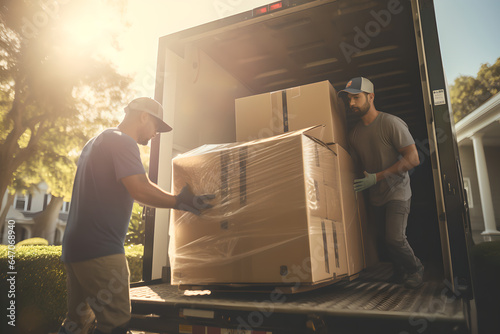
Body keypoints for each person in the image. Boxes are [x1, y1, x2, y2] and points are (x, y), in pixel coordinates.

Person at [58, 97, 214, 334]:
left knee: (76, 323)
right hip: (101, 251)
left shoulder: (95, 142)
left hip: (75, 250)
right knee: (116, 322)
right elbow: (139, 188)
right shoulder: (123, 142)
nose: (156, 134)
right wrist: (178, 201)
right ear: (143, 116)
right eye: (156, 127)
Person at [338, 77, 424, 289]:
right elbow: (357, 167)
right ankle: (400, 270)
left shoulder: (390, 123)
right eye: (349, 100)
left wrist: (377, 176)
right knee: (383, 239)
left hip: (398, 192)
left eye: (356, 98)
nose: (351, 104)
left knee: (394, 238)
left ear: (371, 96)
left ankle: (415, 268)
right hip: (374, 195)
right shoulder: (354, 134)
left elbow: (413, 158)